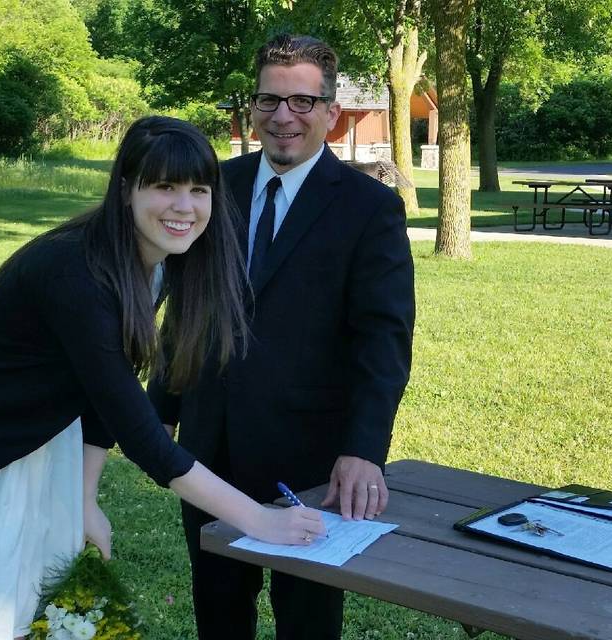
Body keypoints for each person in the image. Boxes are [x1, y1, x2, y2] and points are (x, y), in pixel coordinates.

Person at [0, 116, 325, 640]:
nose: (184, 207)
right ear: (126, 190)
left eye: (198, 190)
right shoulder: (77, 271)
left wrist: (84, 499)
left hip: (38, 431)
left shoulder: (154, 259)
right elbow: (144, 437)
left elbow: (101, 392)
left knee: (44, 611)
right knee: (0, 612)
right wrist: (261, 520)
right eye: (164, 187)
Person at [146, 35, 416, 639]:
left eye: (301, 103)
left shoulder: (368, 209)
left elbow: (384, 337)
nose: (283, 117)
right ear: (253, 108)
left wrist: (365, 448)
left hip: (313, 459)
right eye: (270, 101)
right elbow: (187, 307)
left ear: (330, 114)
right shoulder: (214, 187)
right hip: (211, 448)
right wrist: (160, 408)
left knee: (308, 618)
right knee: (218, 610)